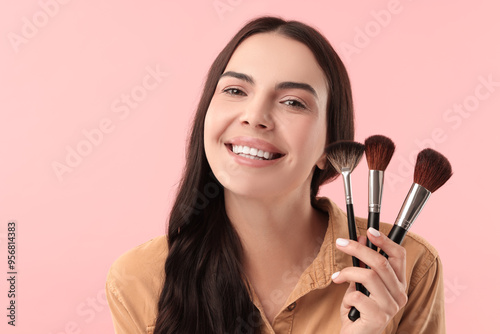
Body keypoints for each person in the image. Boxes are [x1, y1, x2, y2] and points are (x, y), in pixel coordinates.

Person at [105, 16, 445, 334]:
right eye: (235, 90)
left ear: (330, 147)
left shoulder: (409, 269)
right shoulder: (139, 280)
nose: (255, 116)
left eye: (293, 102)